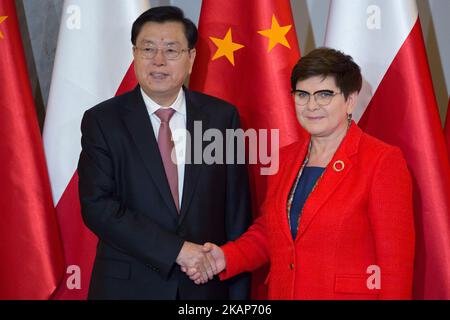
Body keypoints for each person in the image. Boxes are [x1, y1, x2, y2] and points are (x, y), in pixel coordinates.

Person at [185, 48, 416, 299]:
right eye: (302, 95)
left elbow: (396, 267)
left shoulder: (381, 160)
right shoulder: (286, 158)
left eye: (324, 95)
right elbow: (271, 232)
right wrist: (225, 257)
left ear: (350, 100)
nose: (311, 105)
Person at [77, 6, 251, 300]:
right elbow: (98, 207)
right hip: (127, 288)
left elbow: (237, 214)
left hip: (205, 289)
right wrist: (177, 251)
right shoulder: (103, 121)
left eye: (171, 50)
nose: (158, 60)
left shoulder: (222, 119)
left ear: (191, 57)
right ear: (134, 54)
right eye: (148, 49)